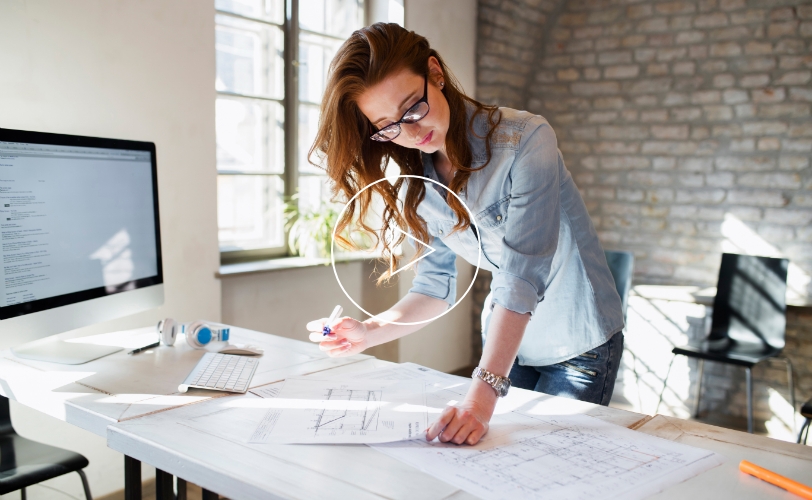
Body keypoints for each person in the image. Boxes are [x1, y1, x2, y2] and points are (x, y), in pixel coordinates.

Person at [305, 23, 625, 446]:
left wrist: (482, 393)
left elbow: (521, 276)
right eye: (389, 125)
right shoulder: (418, 184)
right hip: (511, 348)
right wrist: (370, 331)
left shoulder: (527, 140)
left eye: (413, 108)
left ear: (435, 73)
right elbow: (434, 288)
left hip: (579, 343)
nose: (412, 133)